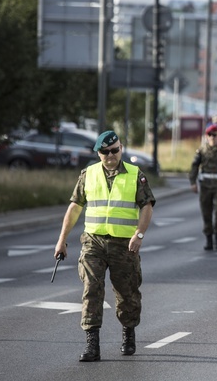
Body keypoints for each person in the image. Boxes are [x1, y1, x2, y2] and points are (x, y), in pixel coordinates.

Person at [54, 130, 155, 362]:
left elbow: (147, 205)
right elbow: (75, 207)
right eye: (105, 152)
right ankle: (92, 345)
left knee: (127, 293)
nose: (110, 155)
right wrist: (62, 240)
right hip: (93, 242)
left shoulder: (134, 174)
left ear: (121, 149)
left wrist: (139, 234)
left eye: (115, 150)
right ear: (98, 153)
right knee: (92, 289)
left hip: (124, 244)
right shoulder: (88, 174)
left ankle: (128, 332)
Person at [189, 124, 217, 251]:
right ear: (206, 136)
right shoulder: (201, 150)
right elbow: (194, 166)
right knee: (206, 213)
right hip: (205, 185)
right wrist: (193, 182)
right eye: (209, 135)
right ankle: (209, 239)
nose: (212, 137)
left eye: (214, 135)